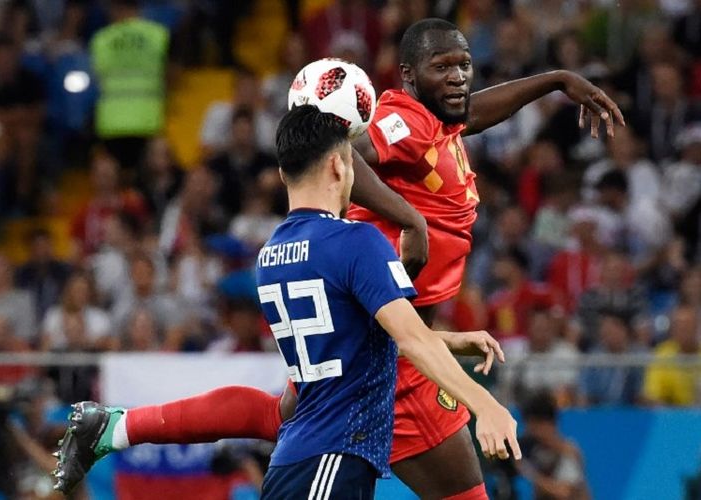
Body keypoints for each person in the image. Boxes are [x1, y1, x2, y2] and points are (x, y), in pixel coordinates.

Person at [53, 18, 623, 499]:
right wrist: (411, 219)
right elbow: (344, 149)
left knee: (283, 414)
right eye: (442, 67)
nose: (457, 78)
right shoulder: (403, 122)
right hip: (392, 345)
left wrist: (555, 81)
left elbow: (468, 115)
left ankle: (117, 425)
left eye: (464, 65)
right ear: (405, 77)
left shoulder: (441, 124)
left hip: (372, 318)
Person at [53, 105, 521, 497]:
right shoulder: (356, 242)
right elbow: (411, 338)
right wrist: (488, 406)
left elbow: (352, 339)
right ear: (342, 165)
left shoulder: (271, 254)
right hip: (330, 459)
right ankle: (118, 428)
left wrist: (452, 340)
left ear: (282, 173)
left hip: (307, 453)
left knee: (277, 410)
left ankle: (119, 428)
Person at [90, 0, 169, 171]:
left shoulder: (101, 39)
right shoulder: (157, 35)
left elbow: (95, 77)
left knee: (116, 179)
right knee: (145, 178)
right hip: (147, 118)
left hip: (111, 122)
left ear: (115, 8)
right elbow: (171, 73)